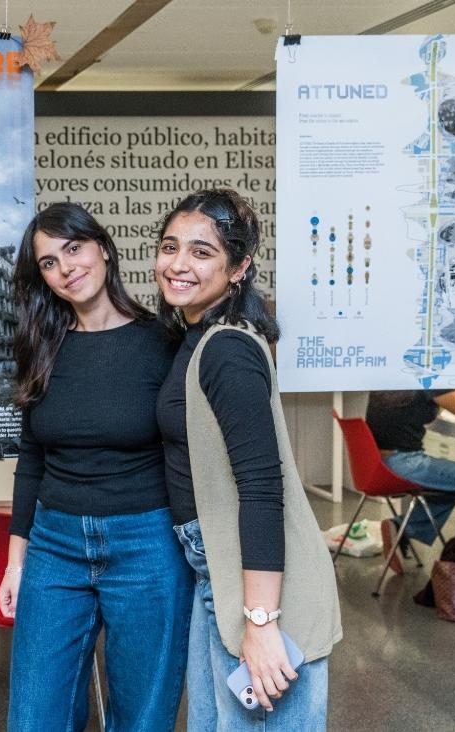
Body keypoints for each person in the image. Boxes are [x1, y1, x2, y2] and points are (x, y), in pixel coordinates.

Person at [0, 202, 193, 731]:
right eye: (49, 262)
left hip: (147, 542)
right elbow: (31, 459)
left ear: (102, 248)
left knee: (143, 719)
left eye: (74, 248)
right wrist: (17, 562)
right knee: (35, 717)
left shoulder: (165, 342)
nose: (66, 268)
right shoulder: (42, 345)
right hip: (55, 545)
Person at [154, 188, 341, 730]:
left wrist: (261, 621)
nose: (179, 264)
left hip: (255, 587)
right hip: (217, 573)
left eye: (201, 251)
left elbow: (262, 488)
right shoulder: (196, 336)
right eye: (170, 247)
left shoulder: (226, 349)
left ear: (239, 268)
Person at [366, 387, 455, 570]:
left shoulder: (400, 376)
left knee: (450, 486)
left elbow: (435, 407)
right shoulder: (432, 380)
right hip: (404, 463)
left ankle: (403, 528)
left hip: (379, 463)